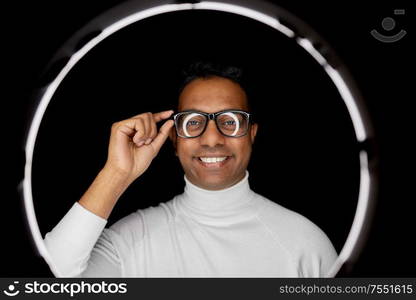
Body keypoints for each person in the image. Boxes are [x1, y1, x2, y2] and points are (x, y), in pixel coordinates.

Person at [44, 61, 338, 277]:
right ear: (174, 138)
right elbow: (49, 276)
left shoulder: (305, 243)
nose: (212, 139)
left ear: (252, 134)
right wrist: (117, 173)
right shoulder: (132, 239)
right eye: (194, 122)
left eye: (230, 120)